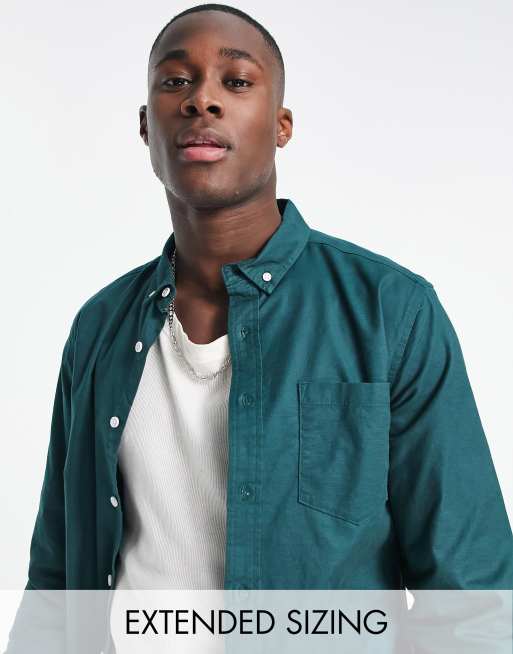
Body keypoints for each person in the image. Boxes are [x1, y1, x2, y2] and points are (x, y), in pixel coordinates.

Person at [6, 3, 513, 653]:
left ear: (280, 126)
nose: (202, 100)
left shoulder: (390, 311)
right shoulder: (100, 327)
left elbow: (471, 599)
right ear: (146, 125)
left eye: (236, 81)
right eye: (175, 81)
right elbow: (56, 584)